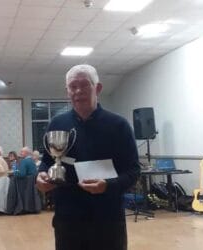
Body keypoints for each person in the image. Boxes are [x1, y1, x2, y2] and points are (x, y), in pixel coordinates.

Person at [36, 64, 140, 250]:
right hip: (67, 219)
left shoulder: (118, 125)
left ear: (97, 88)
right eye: (73, 86)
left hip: (107, 220)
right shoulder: (57, 123)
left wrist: (107, 185)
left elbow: (133, 171)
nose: (78, 91)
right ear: (67, 91)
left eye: (84, 85)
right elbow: (47, 161)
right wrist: (42, 175)